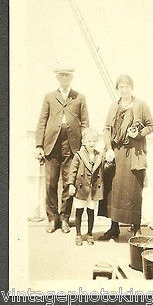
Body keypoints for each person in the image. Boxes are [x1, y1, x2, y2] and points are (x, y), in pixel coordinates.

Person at [98, 74, 153, 240]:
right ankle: (113, 228)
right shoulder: (113, 106)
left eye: (127, 86)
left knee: (134, 190)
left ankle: (136, 228)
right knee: (114, 191)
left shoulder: (141, 105)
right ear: (118, 89)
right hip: (116, 153)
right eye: (121, 87)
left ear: (132, 87)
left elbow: (151, 126)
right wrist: (108, 149)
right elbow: (107, 128)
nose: (124, 89)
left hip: (134, 154)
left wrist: (138, 133)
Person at [35, 67, 89, 233]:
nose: (64, 78)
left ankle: (65, 218)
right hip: (51, 145)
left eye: (67, 75)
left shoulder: (79, 97)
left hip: (72, 146)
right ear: (58, 77)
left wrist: (84, 147)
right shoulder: (49, 97)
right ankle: (52, 219)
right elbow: (42, 122)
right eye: (61, 75)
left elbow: (86, 123)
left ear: (71, 77)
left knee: (68, 182)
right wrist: (39, 146)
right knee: (51, 182)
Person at [68, 128, 104, 246]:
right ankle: (78, 234)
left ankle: (89, 233)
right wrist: (71, 185)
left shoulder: (99, 155)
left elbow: (102, 171)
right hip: (81, 188)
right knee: (79, 211)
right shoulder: (79, 155)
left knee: (91, 212)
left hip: (93, 190)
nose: (92, 143)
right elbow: (72, 171)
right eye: (89, 141)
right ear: (84, 141)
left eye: (94, 141)